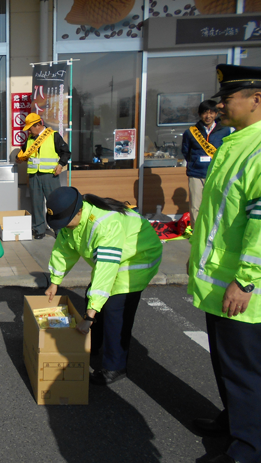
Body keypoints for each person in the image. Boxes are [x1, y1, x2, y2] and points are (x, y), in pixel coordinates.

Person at [188, 64, 261, 463]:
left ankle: (248, 449)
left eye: (227, 99)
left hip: (243, 289)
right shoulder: (235, 141)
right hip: (219, 281)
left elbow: (260, 223)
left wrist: (246, 281)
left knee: (244, 372)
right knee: (226, 364)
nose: (219, 106)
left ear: (256, 99)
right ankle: (234, 421)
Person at [44, 186, 162, 385]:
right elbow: (64, 250)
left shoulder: (105, 224)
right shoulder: (71, 222)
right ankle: (92, 345)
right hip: (117, 256)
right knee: (95, 296)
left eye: (65, 222)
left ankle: (114, 368)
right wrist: (55, 281)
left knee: (115, 309)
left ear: (79, 211)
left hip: (137, 257)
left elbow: (106, 270)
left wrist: (90, 316)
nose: (63, 227)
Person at [16, 113, 71, 239]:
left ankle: (58, 230)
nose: (29, 130)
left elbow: (66, 152)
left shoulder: (53, 136)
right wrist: (18, 158)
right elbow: (23, 153)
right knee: (36, 203)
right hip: (34, 176)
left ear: (38, 125)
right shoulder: (30, 139)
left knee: (54, 203)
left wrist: (60, 165)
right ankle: (39, 229)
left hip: (49, 175)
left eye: (30, 128)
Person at [181, 99, 232, 227]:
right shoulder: (190, 132)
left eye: (211, 113)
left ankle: (213, 230)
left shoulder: (225, 131)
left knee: (215, 203)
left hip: (216, 173)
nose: (208, 116)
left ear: (216, 114)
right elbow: (186, 151)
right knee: (195, 206)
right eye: (204, 113)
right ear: (199, 114)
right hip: (196, 173)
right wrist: (195, 162)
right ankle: (197, 232)